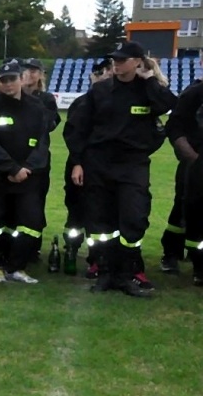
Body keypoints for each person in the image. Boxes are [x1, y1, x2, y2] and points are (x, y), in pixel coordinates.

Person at [66, 40, 177, 296]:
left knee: (134, 217)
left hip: (132, 164)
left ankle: (127, 274)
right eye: (115, 60)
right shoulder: (100, 91)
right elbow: (79, 129)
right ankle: (105, 273)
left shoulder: (148, 89)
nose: (117, 64)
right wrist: (78, 162)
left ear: (138, 62)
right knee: (100, 221)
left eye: (123, 60)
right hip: (99, 162)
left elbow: (168, 106)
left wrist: (150, 80)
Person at [0, 60, 54, 284]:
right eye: (3, 81)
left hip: (28, 177)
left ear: (21, 79)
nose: (8, 85)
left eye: (12, 79)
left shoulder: (36, 107)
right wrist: (11, 168)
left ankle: (17, 266)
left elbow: (42, 143)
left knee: (32, 222)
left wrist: (27, 168)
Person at [60, 56, 112, 274]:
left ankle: (98, 258)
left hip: (108, 167)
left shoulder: (117, 102)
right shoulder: (81, 102)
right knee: (76, 212)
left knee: (101, 215)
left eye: (108, 71)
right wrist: (77, 162)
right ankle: (71, 249)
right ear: (93, 76)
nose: (105, 76)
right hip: (80, 166)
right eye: (101, 73)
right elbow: (72, 135)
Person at [162, 67, 203, 285]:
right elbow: (174, 126)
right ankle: (174, 254)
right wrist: (192, 157)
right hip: (195, 163)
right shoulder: (194, 93)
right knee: (186, 209)